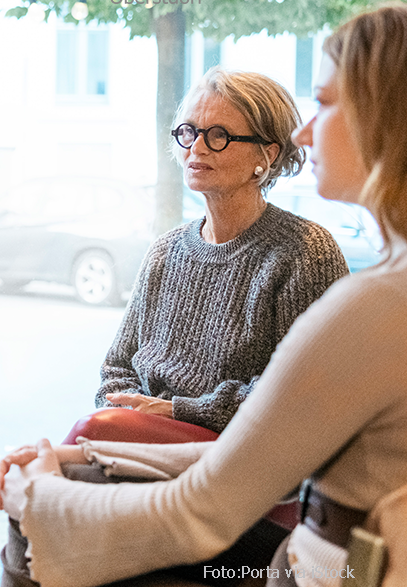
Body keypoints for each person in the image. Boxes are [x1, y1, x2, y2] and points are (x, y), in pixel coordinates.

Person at [0, 3, 407, 587]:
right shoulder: (171, 249)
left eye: (325, 102)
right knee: (86, 452)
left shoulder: (363, 295)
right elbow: (240, 452)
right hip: (294, 546)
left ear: (383, 117)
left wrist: (35, 497)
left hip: (289, 544)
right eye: (190, 132)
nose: (304, 130)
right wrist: (81, 458)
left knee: (43, 523)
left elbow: (209, 501)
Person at [72, 68, 348, 443]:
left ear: (267, 154)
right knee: (65, 453)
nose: (196, 148)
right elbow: (117, 367)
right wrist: (131, 417)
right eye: (189, 132)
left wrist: (174, 413)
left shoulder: (303, 252)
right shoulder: (165, 251)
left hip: (235, 457)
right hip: (144, 440)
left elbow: (302, 395)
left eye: (219, 135)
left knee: (74, 448)